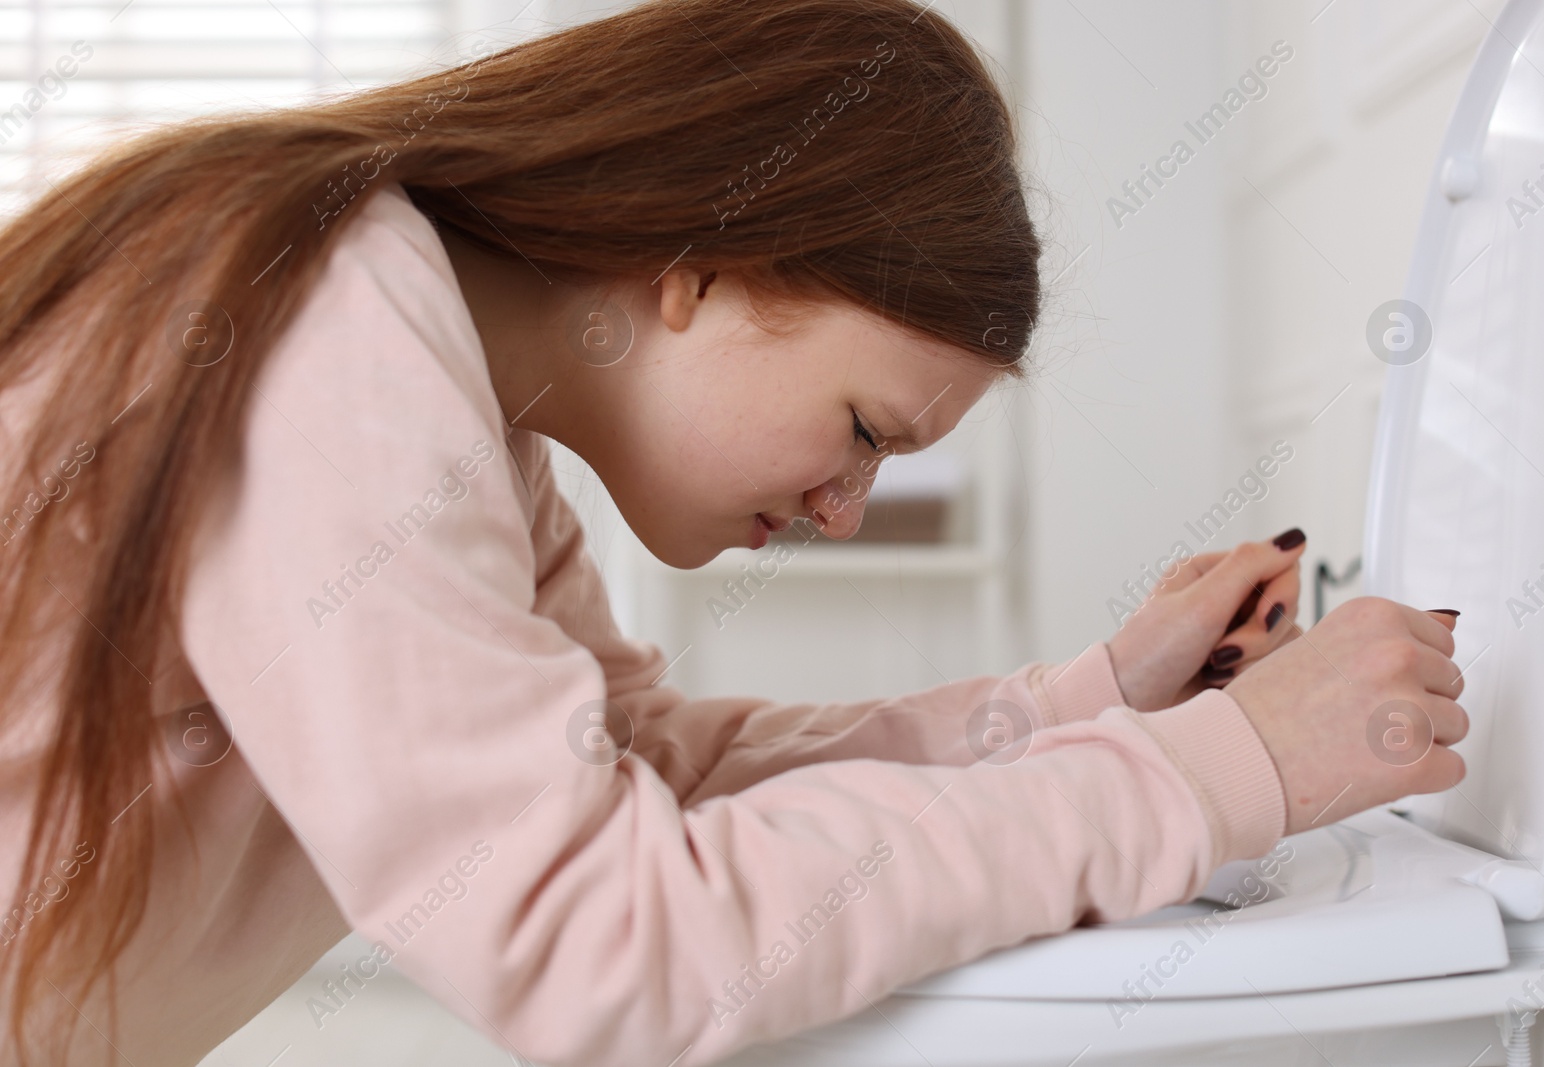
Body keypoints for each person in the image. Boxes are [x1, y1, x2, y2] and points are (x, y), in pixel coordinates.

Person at [0, 1, 1467, 1064]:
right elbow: (604, 946)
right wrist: (1222, 773)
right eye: (866, 433)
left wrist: (1083, 705)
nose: (845, 513)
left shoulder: (471, 435)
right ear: (705, 271)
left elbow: (645, 774)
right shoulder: (332, 325)